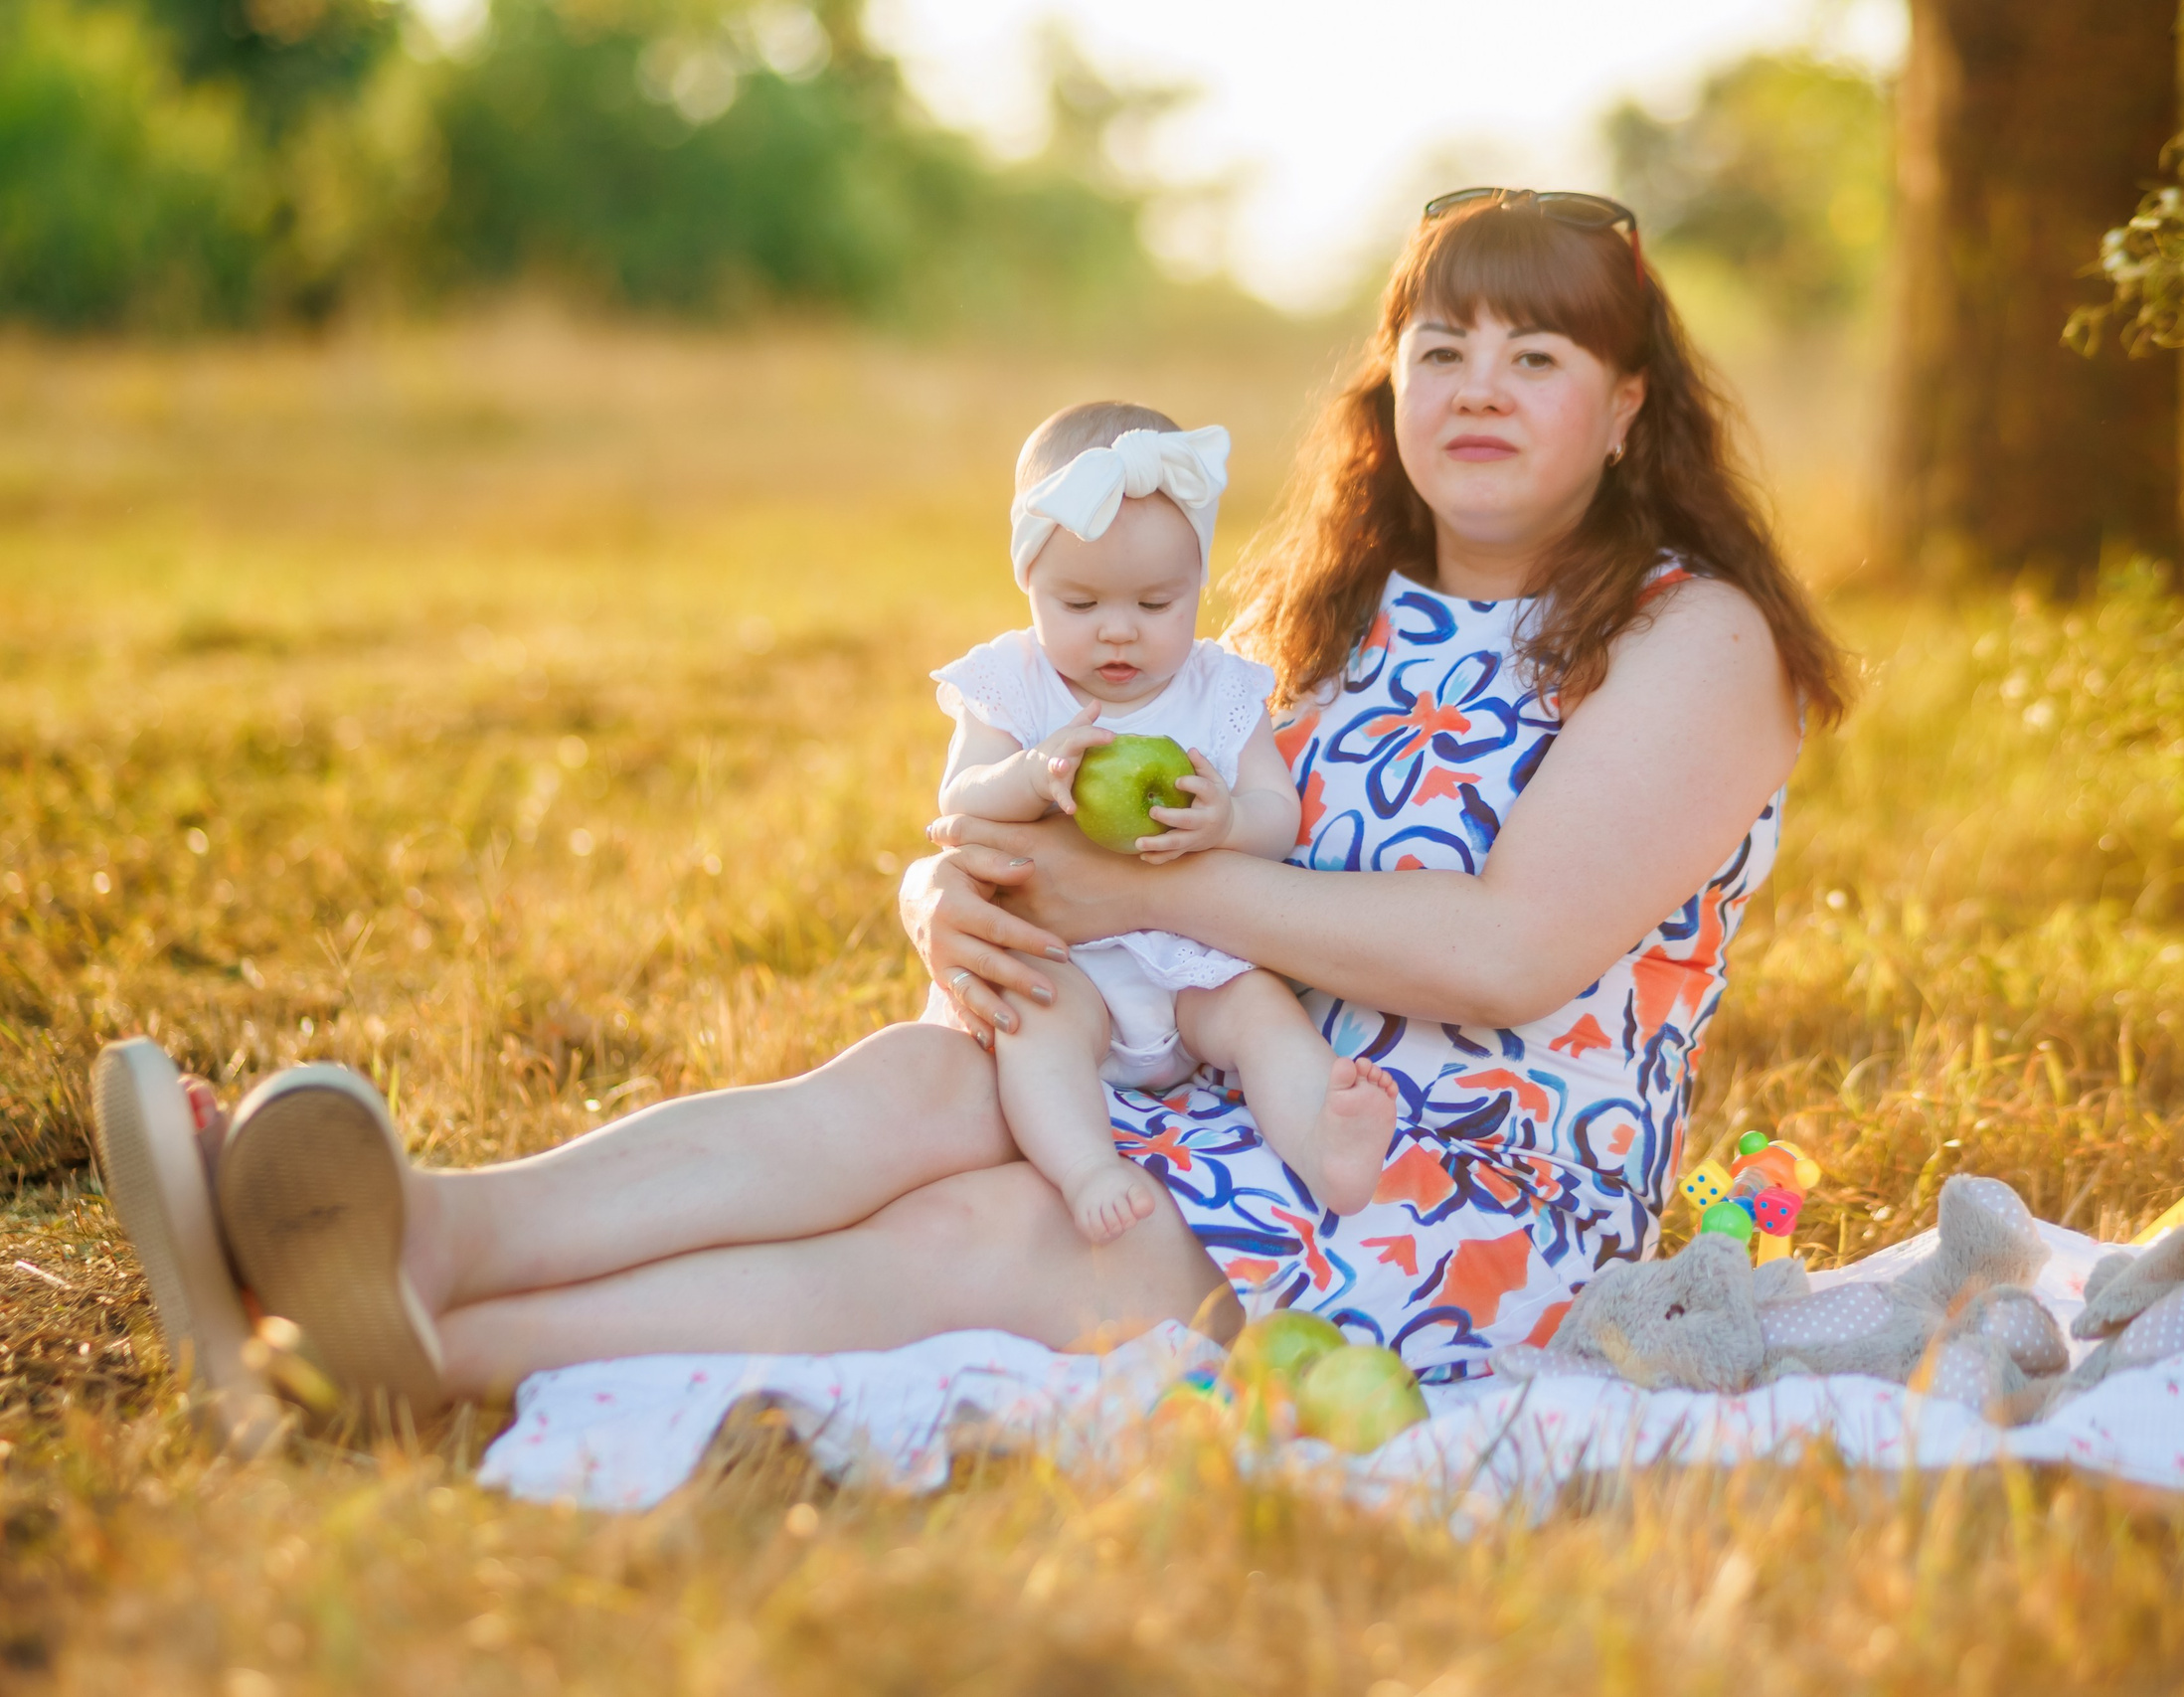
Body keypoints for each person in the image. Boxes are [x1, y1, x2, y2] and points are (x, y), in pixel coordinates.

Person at [92, 187, 1849, 1429]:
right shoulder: (1326, 621)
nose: (1478, 383)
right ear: (1384, 391)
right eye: (1442, 343)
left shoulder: (1697, 638)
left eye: (1537, 356)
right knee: (917, 1078)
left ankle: (413, 1343)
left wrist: (1118, 910)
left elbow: (1516, 949)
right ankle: (417, 1224)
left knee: (985, 1232)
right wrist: (965, 906)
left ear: (1628, 410)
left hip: (1458, 1182)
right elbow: (1096, 832)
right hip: (1218, 1077)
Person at [930, 400, 1397, 1244]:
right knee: (1033, 1024)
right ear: (1028, 583)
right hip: (1066, 962)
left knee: (1257, 1011)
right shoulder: (1015, 682)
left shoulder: (1222, 689)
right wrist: (1032, 776)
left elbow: (1274, 812)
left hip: (1189, 969)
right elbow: (959, 804)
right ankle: (1084, 1168)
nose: (1118, 630)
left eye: (1155, 603)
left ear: (1197, 586)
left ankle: (1325, 1140)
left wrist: (1224, 823)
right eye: (1079, 602)